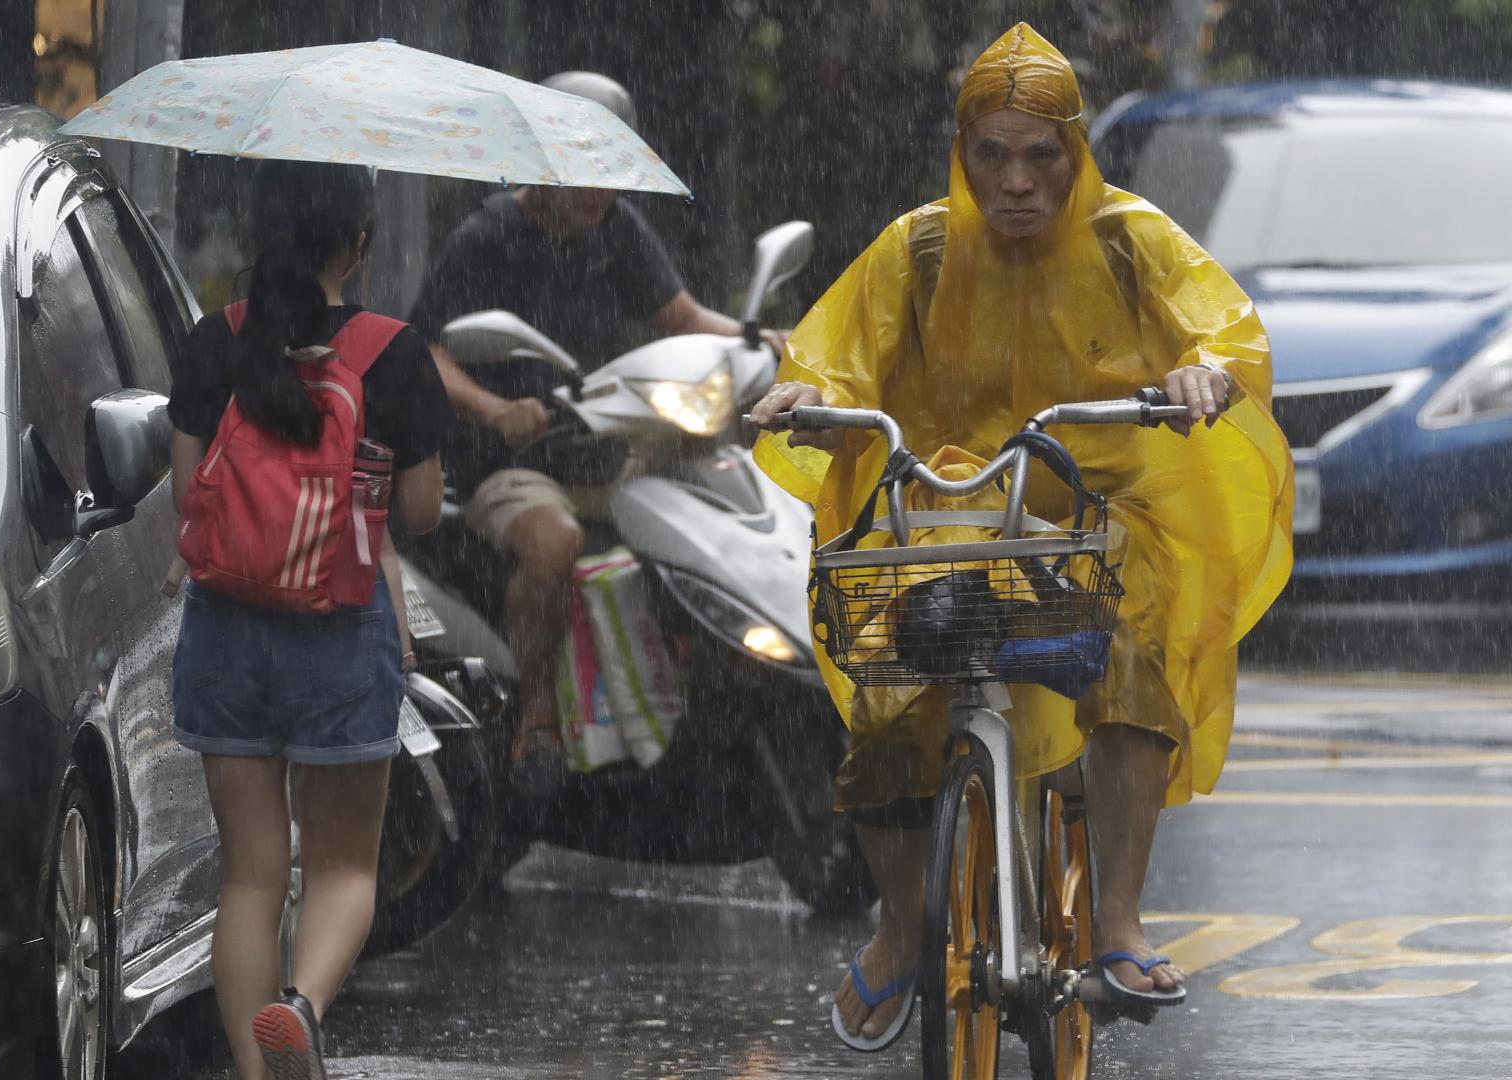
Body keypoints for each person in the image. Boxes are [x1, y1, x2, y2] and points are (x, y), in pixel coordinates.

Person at [748, 23, 1294, 1048]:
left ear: (1075, 154)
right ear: (963, 155)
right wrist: (806, 398)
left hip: (1096, 514)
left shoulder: (1131, 240)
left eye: (1041, 155)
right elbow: (833, 357)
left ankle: (1119, 923)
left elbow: (1223, 328)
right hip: (951, 515)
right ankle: (902, 926)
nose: (1015, 180)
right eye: (991, 155)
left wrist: (1203, 373)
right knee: (888, 696)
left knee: (1126, 667)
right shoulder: (915, 249)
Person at [168, 159, 452, 1080]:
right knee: (342, 871)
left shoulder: (214, 343)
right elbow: (418, 515)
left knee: (251, 873)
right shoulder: (394, 351)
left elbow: (186, 496)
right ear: (356, 245)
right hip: (339, 632)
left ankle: (256, 1074)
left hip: (227, 632)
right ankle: (300, 1008)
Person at [408, 70, 764, 791]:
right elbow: (429, 351)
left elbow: (686, 318)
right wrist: (494, 409)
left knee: (715, 509)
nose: (599, 189)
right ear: (540, 157)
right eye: (584, 168)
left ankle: (717, 703)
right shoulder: (488, 236)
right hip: (515, 461)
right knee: (553, 544)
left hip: (608, 447)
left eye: (611, 169)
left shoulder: (615, 229)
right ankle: (536, 711)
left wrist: (770, 341)